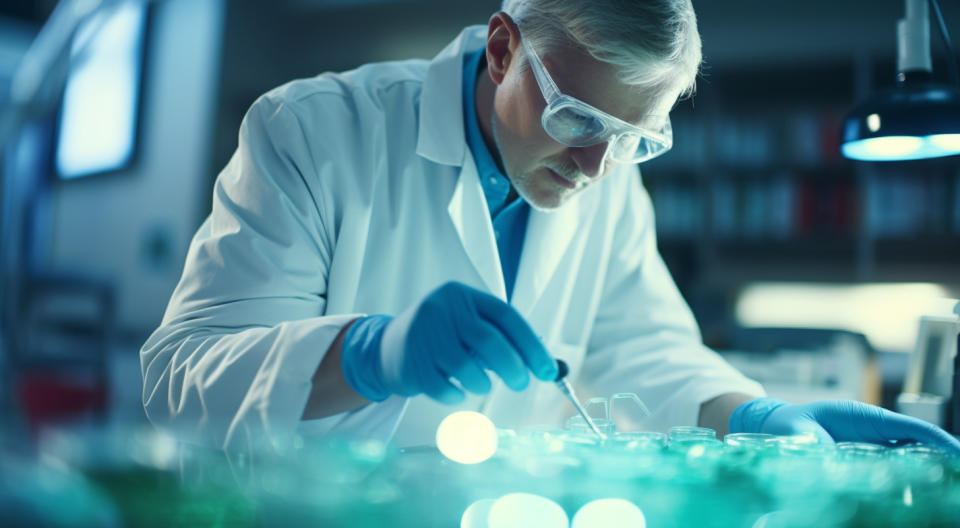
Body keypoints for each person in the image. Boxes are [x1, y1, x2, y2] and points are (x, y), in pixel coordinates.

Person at [141, 0, 960, 454]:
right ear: (502, 48)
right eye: (574, 117)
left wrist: (754, 415)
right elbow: (178, 382)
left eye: (638, 139)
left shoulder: (606, 175)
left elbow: (644, 349)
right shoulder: (313, 131)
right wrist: (369, 354)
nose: (599, 166)